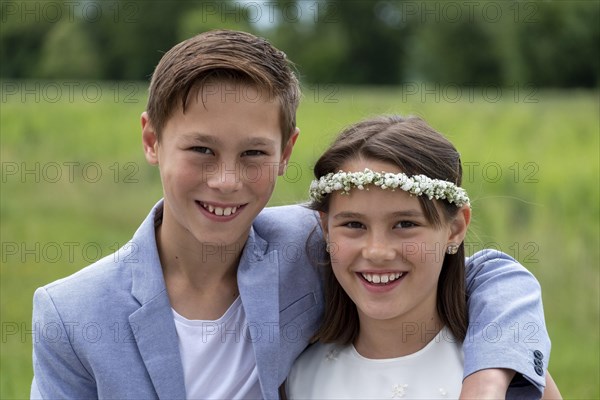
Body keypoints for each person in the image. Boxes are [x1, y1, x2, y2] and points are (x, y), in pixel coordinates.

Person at [31, 30, 551, 399]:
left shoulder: (312, 242)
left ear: (286, 151)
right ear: (151, 139)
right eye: (201, 151)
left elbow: (487, 273)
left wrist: (486, 381)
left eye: (254, 153)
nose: (227, 181)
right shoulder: (73, 315)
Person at [286, 115, 561, 399]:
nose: (377, 251)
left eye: (405, 224)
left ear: (455, 229)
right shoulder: (299, 377)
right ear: (326, 228)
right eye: (354, 225)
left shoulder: (502, 367)